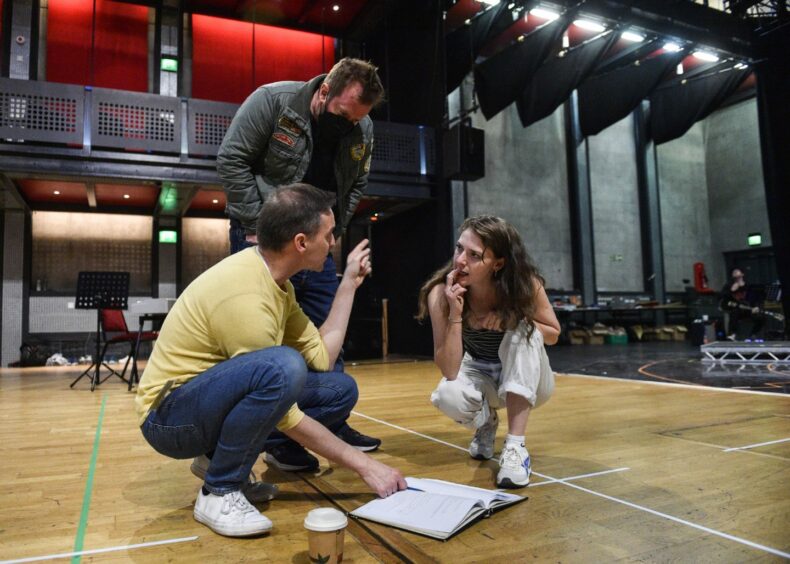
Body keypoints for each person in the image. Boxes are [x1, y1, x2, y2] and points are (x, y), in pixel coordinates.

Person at [136, 184, 405, 538]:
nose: (333, 243)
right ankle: (219, 490)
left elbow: (323, 357)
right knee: (282, 367)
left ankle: (217, 458)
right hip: (169, 422)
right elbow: (283, 411)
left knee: (338, 389)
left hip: (201, 403)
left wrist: (349, 285)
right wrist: (366, 467)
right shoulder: (247, 293)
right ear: (301, 242)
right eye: (328, 234)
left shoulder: (280, 285)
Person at [217, 57, 385, 459]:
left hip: (317, 243)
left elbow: (358, 180)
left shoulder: (363, 127)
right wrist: (263, 225)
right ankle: (277, 441)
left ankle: (330, 421)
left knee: (330, 335)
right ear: (325, 90)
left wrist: (335, 231)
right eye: (344, 114)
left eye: (358, 118)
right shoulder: (272, 102)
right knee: (267, 340)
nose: (350, 125)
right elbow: (232, 158)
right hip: (264, 239)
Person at [416, 216, 560, 488]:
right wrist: (455, 314)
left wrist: (514, 319)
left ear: (498, 264)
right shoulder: (440, 294)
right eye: (459, 249)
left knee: (522, 329)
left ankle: (516, 448)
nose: (460, 260)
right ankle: (487, 423)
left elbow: (553, 334)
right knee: (448, 395)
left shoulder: (525, 284)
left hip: (530, 380)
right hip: (480, 371)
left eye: (474, 255)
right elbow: (449, 369)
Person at [720, 267, 764, 340]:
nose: (735, 272)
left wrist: (756, 307)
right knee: (734, 312)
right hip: (736, 309)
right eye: (733, 272)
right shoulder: (728, 286)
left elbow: (755, 299)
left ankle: (753, 334)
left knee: (761, 318)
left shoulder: (748, 286)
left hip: (748, 310)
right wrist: (731, 290)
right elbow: (721, 297)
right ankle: (732, 334)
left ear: (742, 274)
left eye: (737, 271)